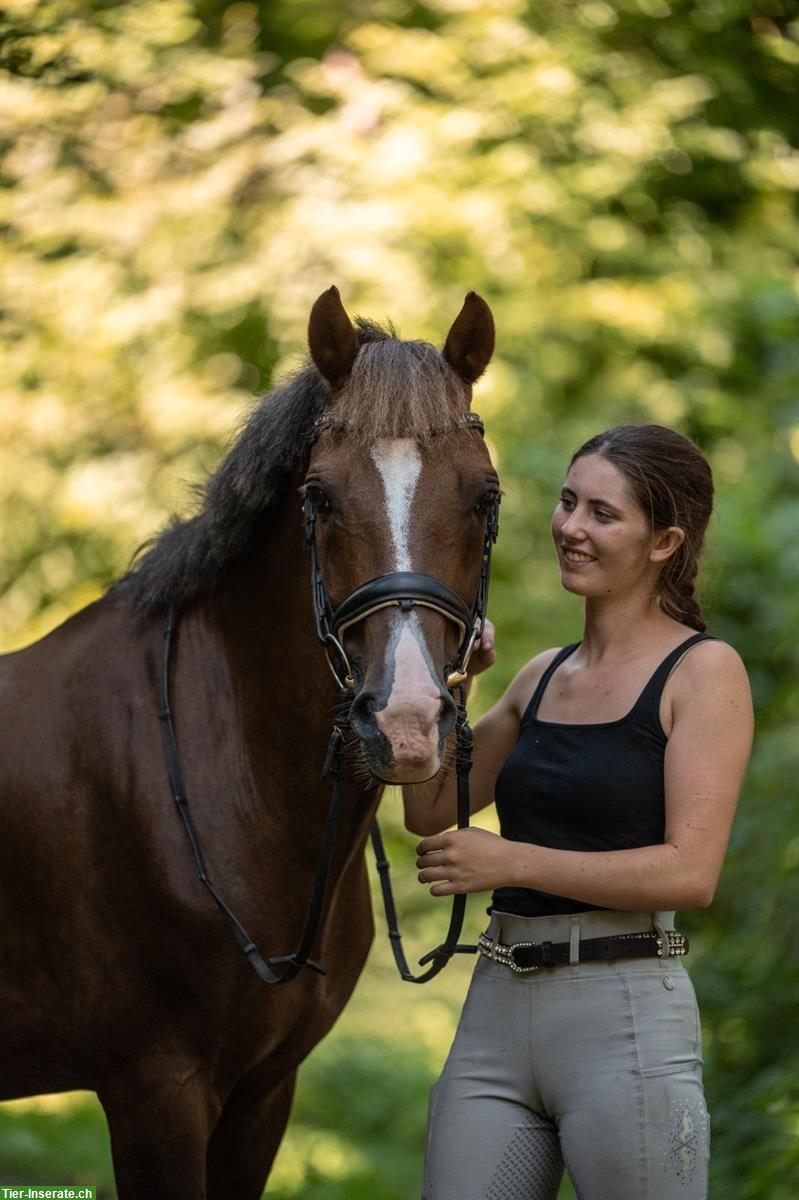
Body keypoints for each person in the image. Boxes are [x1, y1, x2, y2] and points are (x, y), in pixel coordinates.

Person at [403, 424, 753, 1200]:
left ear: (663, 541)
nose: (569, 528)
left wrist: (512, 860)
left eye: (602, 513)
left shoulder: (702, 673)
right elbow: (427, 806)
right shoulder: (540, 675)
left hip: (622, 1016)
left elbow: (689, 873)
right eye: (567, 503)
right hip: (494, 1012)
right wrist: (442, 679)